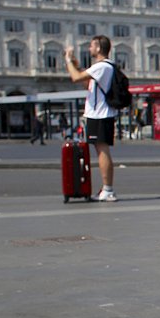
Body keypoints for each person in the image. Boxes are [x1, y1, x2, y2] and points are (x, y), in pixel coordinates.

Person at [65, 35, 118, 202]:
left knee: (102, 150)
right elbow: (86, 84)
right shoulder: (104, 68)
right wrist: (75, 64)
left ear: (99, 48)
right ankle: (106, 188)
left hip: (100, 114)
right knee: (100, 149)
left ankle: (108, 190)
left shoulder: (102, 66)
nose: (89, 49)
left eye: (91, 46)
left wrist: (68, 60)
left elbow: (76, 78)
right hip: (99, 114)